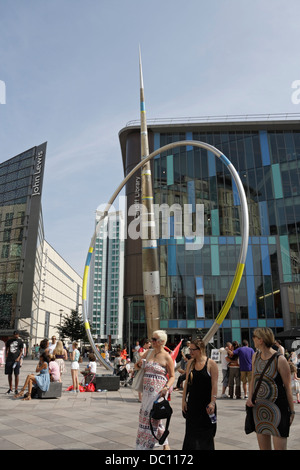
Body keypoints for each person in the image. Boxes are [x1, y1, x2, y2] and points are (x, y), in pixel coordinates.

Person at [246, 327, 295, 450]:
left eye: (254, 337)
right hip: (259, 408)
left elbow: (288, 387)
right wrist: (249, 397)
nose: (253, 339)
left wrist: (292, 411)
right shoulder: (255, 356)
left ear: (261, 340)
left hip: (278, 408)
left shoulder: (280, 359)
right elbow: (253, 378)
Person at [135, 330, 175, 451]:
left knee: (154, 418)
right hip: (147, 393)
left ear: (161, 342)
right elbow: (136, 366)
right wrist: (139, 364)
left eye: (154, 339)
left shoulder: (167, 357)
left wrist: (166, 387)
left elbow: (172, 376)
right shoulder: (148, 352)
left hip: (158, 392)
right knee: (151, 418)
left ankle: (145, 447)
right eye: (152, 339)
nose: (151, 341)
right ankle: (165, 445)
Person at [182, 339, 218, 450]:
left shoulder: (211, 364)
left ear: (200, 349)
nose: (191, 352)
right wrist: (183, 400)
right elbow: (187, 384)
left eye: (193, 349)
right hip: (193, 404)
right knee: (191, 434)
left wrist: (213, 402)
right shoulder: (190, 363)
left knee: (206, 435)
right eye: (190, 349)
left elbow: (215, 385)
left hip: (206, 405)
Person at [5, 331, 24, 395]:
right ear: (13, 335)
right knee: (9, 374)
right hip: (9, 359)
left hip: (16, 360)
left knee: (16, 374)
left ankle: (16, 389)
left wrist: (19, 358)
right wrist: (6, 355)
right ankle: (10, 388)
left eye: (17, 334)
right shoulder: (9, 341)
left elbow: (21, 351)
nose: (16, 335)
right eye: (15, 334)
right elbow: (6, 348)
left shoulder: (20, 341)